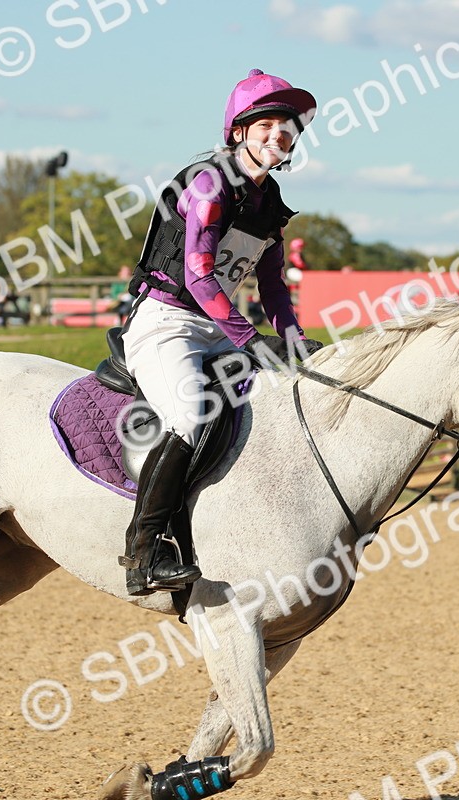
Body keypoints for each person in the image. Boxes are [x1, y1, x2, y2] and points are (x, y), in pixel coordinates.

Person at [117, 68, 323, 596]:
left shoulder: (269, 202)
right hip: (164, 321)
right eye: (268, 127)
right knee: (189, 414)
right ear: (239, 132)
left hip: (213, 325)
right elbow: (197, 274)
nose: (279, 137)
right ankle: (144, 551)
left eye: (287, 131)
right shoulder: (210, 183)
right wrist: (249, 340)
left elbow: (274, 289)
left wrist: (295, 341)